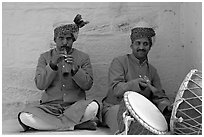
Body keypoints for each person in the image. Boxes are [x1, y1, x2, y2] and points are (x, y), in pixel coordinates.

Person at [18, 14, 100, 131]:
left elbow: (87, 85)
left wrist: (75, 69)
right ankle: (74, 125)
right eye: (61, 38)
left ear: (73, 40)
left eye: (68, 39)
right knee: (24, 117)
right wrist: (52, 65)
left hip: (75, 106)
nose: (65, 42)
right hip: (50, 107)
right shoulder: (45, 57)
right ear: (55, 39)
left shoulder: (83, 57)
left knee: (93, 107)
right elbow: (40, 85)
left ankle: (56, 126)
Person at [102, 21, 172, 134]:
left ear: (150, 47)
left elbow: (159, 96)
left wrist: (166, 106)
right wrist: (136, 84)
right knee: (125, 125)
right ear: (131, 45)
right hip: (115, 107)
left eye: (145, 44)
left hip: (142, 112)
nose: (141, 47)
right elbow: (116, 90)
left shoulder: (152, 71)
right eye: (138, 43)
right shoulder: (119, 62)